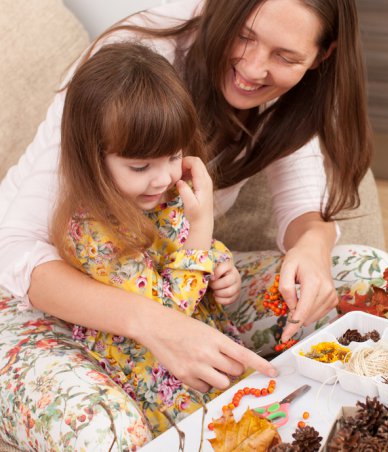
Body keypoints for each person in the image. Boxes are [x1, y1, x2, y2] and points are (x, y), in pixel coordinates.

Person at [0, 0, 388, 442]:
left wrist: (311, 252)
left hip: (169, 284)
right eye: (244, 35)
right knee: (105, 433)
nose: (253, 67)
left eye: (285, 57)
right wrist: (156, 324)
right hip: (34, 302)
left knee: (369, 279)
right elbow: (15, 247)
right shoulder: (133, 71)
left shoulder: (288, 95)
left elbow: (303, 203)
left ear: (321, 56)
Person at [52, 42, 244, 433]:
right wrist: (203, 226)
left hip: (199, 341)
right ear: (93, 158)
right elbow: (170, 317)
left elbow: (182, 246)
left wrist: (221, 265)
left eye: (174, 156)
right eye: (140, 166)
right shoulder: (93, 232)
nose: (164, 177)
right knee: (217, 428)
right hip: (155, 367)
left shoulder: (163, 191)